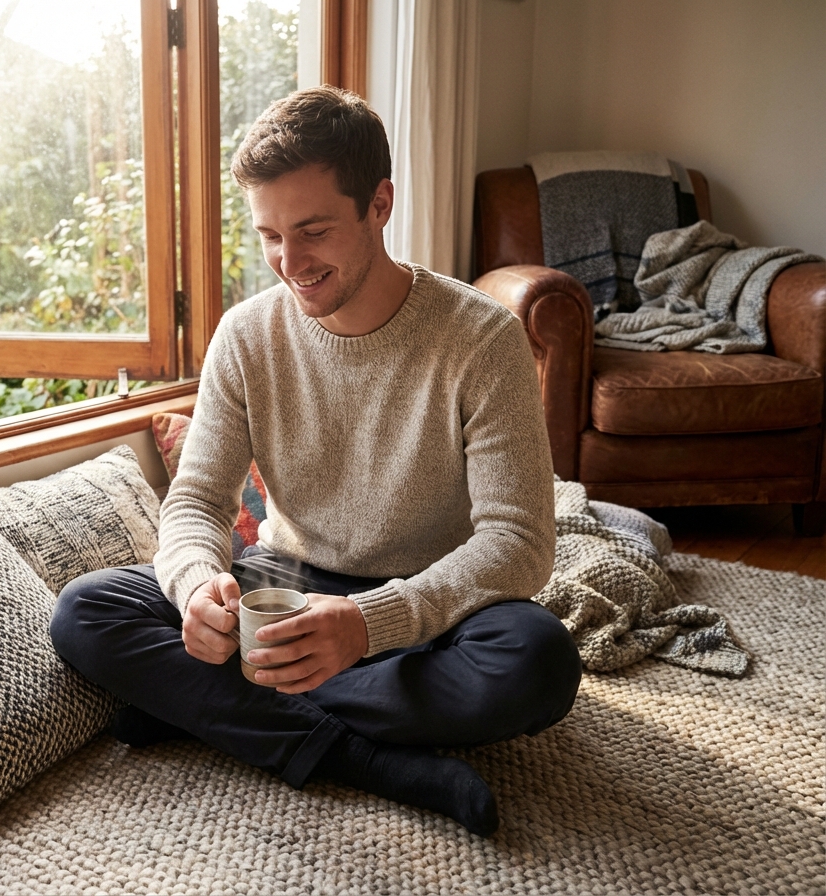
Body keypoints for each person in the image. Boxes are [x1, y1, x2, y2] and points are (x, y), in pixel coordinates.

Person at [50, 86, 582, 837]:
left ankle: (213, 710)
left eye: (312, 230)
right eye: (269, 235)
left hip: (426, 605)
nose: (289, 262)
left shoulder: (482, 340)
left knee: (537, 662)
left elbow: (520, 545)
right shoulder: (245, 336)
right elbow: (198, 501)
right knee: (87, 612)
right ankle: (367, 761)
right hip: (285, 586)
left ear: (380, 204)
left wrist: (368, 625)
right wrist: (199, 583)